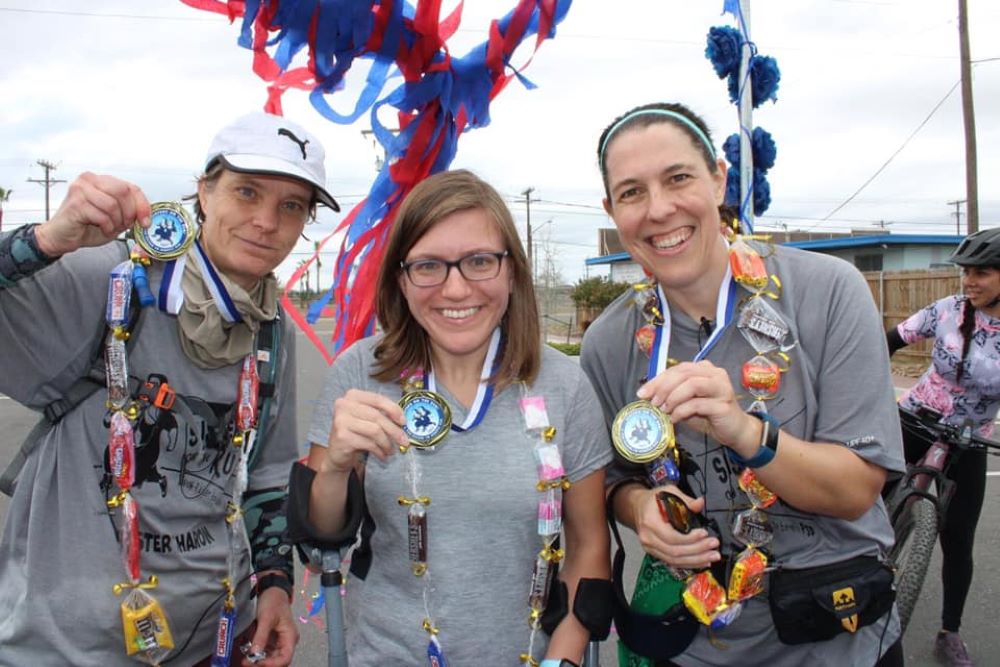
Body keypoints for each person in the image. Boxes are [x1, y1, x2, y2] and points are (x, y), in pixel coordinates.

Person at [0, 111, 341, 666]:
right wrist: (43, 241)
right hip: (65, 649)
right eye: (247, 191)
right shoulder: (112, 281)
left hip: (216, 641)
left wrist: (274, 584)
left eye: (291, 206)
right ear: (203, 192)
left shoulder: (271, 330)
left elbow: (266, 479)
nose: (265, 221)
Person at [580, 102, 906, 666]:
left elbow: (857, 490)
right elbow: (613, 484)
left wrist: (744, 431)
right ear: (613, 209)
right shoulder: (609, 342)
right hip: (693, 647)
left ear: (718, 179)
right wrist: (643, 510)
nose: (659, 209)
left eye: (678, 177)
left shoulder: (828, 292)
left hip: (834, 636)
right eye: (632, 192)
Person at [287, 169, 613, 665]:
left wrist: (561, 661)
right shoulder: (361, 370)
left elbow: (589, 547)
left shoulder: (564, 384)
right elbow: (320, 539)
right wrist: (333, 466)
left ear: (511, 270)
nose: (456, 289)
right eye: (429, 266)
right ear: (401, 277)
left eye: (479, 261)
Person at [887, 227, 1000, 667]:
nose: (969, 281)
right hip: (913, 419)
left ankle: (949, 631)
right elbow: (889, 341)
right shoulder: (947, 310)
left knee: (959, 542)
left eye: (982, 273)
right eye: (966, 272)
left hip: (969, 440)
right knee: (861, 504)